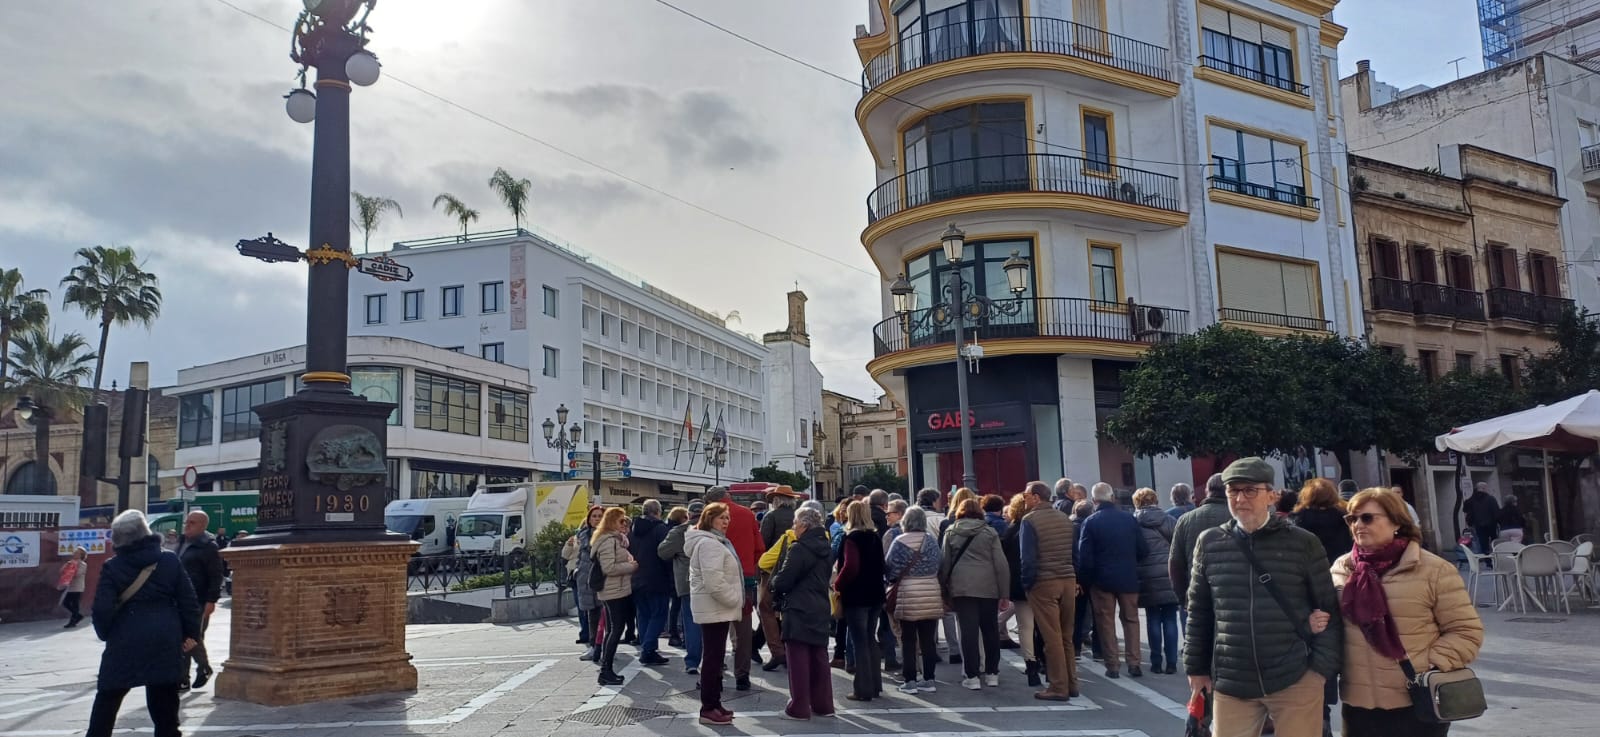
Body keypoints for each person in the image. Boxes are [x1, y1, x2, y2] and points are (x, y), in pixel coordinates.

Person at [1185, 458, 1342, 737]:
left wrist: (1318, 672)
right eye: (1233, 491)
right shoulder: (1209, 542)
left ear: (1271, 495)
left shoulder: (1302, 542)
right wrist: (1196, 670)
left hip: (1294, 677)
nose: (1239, 498)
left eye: (1249, 490)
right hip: (1233, 681)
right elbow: (1199, 612)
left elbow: (1329, 609)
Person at [1331, 489, 1484, 737]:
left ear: (1396, 522)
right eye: (1352, 519)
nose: (1358, 525)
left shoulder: (1433, 570)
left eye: (1367, 518)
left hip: (1415, 700)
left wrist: (1430, 666)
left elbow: (1466, 631)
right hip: (1359, 703)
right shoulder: (1341, 568)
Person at [87, 510, 201, 737]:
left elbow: (102, 608)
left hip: (125, 639)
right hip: (165, 638)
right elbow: (189, 601)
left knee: (108, 697)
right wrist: (190, 635)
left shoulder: (113, 566)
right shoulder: (168, 559)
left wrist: (107, 633)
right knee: (165, 709)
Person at [769, 506, 836, 721]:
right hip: (820, 605)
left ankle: (798, 706)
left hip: (798, 607)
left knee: (798, 658)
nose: (793, 528)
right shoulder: (827, 547)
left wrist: (774, 582)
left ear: (805, 525)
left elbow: (784, 580)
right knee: (819, 656)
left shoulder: (799, 549)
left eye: (795, 524)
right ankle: (823, 704)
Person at [1078, 482, 1148, 678]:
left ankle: (1113, 666)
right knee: (1131, 620)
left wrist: (1085, 581)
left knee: (1105, 622)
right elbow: (1143, 550)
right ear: (1112, 498)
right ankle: (1134, 663)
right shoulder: (1129, 520)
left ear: (1094, 501)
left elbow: (1085, 557)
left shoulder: (1090, 522)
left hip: (1101, 580)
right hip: (1128, 577)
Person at [1019, 481, 1080, 701]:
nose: (1023, 498)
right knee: (1066, 636)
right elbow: (1075, 553)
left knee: (1051, 637)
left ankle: (1058, 686)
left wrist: (1027, 584)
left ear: (1036, 497)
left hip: (1044, 582)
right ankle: (1072, 683)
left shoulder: (1029, 521)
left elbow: (1027, 559)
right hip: (1068, 579)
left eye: (1026, 494)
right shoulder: (1065, 519)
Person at [941, 498, 1009, 690]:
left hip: (961, 587)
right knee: (990, 631)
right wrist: (1004, 592)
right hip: (988, 587)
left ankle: (971, 676)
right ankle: (992, 673)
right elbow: (1001, 564)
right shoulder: (990, 532)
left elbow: (945, 562)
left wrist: (942, 588)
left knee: (968, 632)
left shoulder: (951, 531)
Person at [686, 502, 744, 726]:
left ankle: (714, 703)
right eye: (721, 518)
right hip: (714, 607)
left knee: (716, 657)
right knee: (712, 658)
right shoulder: (709, 544)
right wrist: (734, 599)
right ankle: (708, 707)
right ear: (710, 519)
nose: (726, 522)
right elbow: (714, 581)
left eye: (727, 518)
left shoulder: (715, 541)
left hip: (715, 607)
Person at [703, 485, 765, 691]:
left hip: (717, 578)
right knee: (744, 630)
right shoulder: (747, 514)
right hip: (744, 578)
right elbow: (760, 548)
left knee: (717, 629)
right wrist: (750, 567)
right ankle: (742, 675)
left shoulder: (708, 520)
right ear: (728, 496)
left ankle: (716, 673)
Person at [885, 505, 943, 693]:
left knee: (908, 639)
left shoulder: (899, 541)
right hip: (930, 592)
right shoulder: (932, 541)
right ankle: (929, 679)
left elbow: (890, 568)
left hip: (907, 594)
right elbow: (939, 564)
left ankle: (910, 680)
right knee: (928, 640)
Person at [835, 500, 886, 700]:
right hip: (875, 593)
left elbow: (851, 566)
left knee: (860, 641)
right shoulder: (875, 537)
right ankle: (875, 685)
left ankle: (862, 689)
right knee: (870, 638)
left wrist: (838, 584)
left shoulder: (852, 538)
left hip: (857, 595)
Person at [1170, 473, 1230, 633]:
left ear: (1207, 491)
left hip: (1196, 588)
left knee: (1198, 640)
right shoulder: (1239, 517)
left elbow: (1175, 564)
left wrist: (1183, 596)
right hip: (1233, 594)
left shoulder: (1186, 519)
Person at [1132, 488, 1180, 675]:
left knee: (1152, 618)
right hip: (1168, 573)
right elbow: (1179, 546)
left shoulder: (1134, 522)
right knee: (1169, 618)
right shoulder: (1169, 520)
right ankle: (1172, 662)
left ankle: (1155, 662)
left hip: (1146, 575)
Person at [176, 511, 224, 691]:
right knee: (183, 637)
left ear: (203, 526)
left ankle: (202, 668)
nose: (187, 525)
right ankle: (185, 676)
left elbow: (215, 575)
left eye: (192, 523)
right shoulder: (181, 542)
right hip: (180, 599)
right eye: (187, 522)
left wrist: (211, 600)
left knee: (193, 637)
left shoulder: (208, 546)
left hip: (199, 599)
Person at [592, 507, 637, 686]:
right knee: (615, 629)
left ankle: (607, 669)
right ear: (612, 522)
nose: (624, 524)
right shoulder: (607, 541)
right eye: (621, 521)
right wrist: (631, 567)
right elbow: (609, 568)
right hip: (613, 591)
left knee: (613, 629)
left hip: (617, 589)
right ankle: (606, 670)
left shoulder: (616, 540)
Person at [659, 502, 704, 675]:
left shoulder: (679, 532)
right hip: (711, 581)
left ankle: (692, 661)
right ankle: (715, 659)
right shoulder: (713, 528)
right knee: (713, 623)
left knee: (691, 622)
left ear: (689, 514)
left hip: (687, 582)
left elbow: (662, 552)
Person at [629, 500, 673, 666]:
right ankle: (648, 649)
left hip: (637, 577)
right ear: (658, 512)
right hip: (656, 578)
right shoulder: (660, 529)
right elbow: (665, 554)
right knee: (659, 614)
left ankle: (649, 649)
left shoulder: (633, 530)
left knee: (644, 614)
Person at [997, 494, 1033, 666]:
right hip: (1039, 580)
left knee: (1025, 626)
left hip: (1018, 582)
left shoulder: (1010, 530)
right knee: (1043, 624)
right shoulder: (1035, 526)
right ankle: (1045, 660)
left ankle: (1030, 663)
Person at [1290, 479, 1353, 566]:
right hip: (1339, 567)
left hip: (1308, 570)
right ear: (1333, 495)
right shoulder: (1344, 517)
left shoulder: (1298, 519)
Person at [570, 506, 604, 659]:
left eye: (599, 516)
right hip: (585, 579)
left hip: (602, 579)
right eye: (594, 516)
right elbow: (578, 556)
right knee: (592, 614)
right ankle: (593, 646)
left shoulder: (608, 535)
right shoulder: (583, 535)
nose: (596, 519)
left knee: (606, 616)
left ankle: (604, 646)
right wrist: (577, 570)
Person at [1069, 499, 1099, 660]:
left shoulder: (1069, 527)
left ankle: (1076, 648)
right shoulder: (1092, 526)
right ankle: (1098, 650)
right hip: (1092, 573)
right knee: (1097, 612)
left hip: (1075, 574)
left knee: (1077, 613)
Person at [664, 506, 689, 648]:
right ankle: (677, 633)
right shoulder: (678, 532)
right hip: (677, 574)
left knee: (675, 605)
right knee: (680, 606)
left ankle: (674, 633)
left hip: (672, 574)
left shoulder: (668, 530)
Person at [1462, 483, 1500, 556]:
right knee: (1493, 540)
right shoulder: (1491, 499)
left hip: (1478, 524)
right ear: (1484, 488)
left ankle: (1485, 557)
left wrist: (1469, 522)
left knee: (1482, 541)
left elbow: (1466, 511)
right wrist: (1498, 522)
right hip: (1491, 524)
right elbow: (1496, 511)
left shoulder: (1471, 500)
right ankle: (1495, 556)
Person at [60, 546, 88, 628]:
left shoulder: (83, 564)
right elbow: (62, 571)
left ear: (81, 555)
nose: (75, 554)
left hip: (78, 587)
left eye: (77, 553)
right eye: (74, 552)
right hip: (70, 586)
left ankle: (73, 621)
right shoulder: (70, 562)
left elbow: (77, 574)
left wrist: (73, 567)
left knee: (75, 604)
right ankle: (78, 616)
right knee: (65, 603)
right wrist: (67, 565)